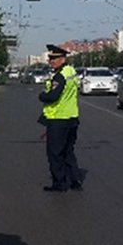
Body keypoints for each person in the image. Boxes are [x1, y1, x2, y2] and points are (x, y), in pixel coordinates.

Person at [38, 44, 82, 192]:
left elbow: (52, 96)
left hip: (59, 120)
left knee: (55, 153)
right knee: (68, 151)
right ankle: (75, 179)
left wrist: (42, 95)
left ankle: (60, 183)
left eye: (54, 58)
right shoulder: (72, 72)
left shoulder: (60, 76)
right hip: (72, 118)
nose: (51, 61)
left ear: (63, 59)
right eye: (50, 58)